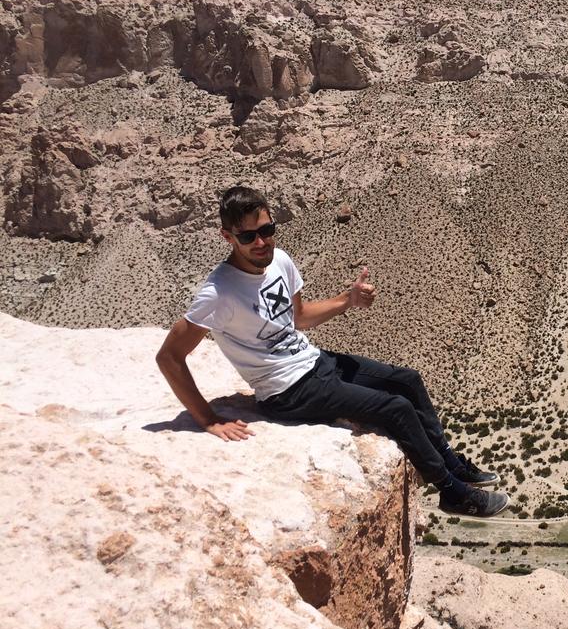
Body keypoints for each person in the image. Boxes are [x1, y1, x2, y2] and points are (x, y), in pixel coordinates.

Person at [156, 185, 509, 518]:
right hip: (287, 391)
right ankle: (452, 492)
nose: (261, 242)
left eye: (267, 229)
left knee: (408, 381)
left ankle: (452, 463)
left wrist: (348, 300)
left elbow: (299, 317)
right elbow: (169, 357)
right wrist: (208, 419)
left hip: (313, 363)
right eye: (248, 236)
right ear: (228, 237)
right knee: (396, 409)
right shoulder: (219, 292)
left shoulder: (279, 261)